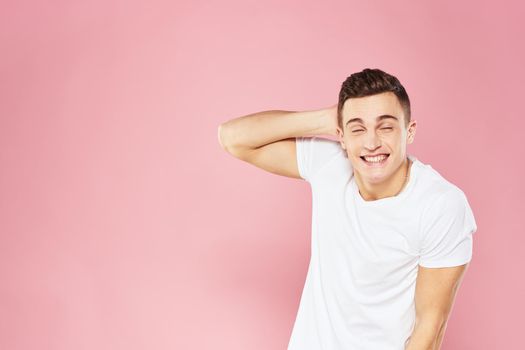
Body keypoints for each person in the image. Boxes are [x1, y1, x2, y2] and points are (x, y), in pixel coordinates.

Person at [217, 68, 477, 350]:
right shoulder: (329, 165)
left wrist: (349, 121)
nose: (371, 142)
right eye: (358, 128)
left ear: (409, 131)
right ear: (341, 136)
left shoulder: (440, 205)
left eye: (386, 127)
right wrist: (325, 119)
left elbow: (431, 326)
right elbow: (232, 138)